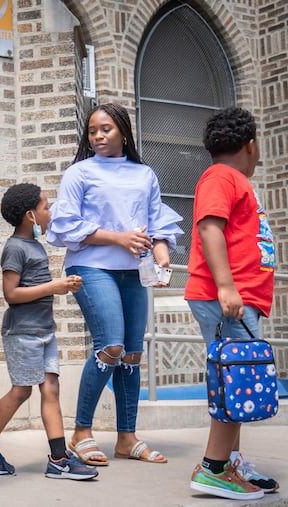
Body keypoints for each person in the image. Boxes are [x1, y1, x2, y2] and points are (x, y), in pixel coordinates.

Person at [47, 103, 183, 467]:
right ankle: (81, 432)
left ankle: (127, 438)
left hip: (134, 271)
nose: (98, 136)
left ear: (123, 131)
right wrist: (118, 238)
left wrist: (161, 249)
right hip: (91, 267)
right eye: (92, 130)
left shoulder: (144, 174)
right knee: (111, 346)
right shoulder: (79, 173)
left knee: (132, 355)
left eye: (105, 129)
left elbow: (155, 219)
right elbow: (65, 226)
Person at [0, 183, 98, 481]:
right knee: (21, 390)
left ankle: (59, 458)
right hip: (23, 333)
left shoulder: (36, 245)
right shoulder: (15, 248)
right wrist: (55, 287)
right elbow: (11, 294)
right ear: (30, 215)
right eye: (46, 207)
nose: (49, 212)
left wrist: (62, 287)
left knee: (50, 388)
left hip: (44, 330)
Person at [186, 107, 278, 500]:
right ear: (252, 145)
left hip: (238, 298)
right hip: (224, 297)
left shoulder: (231, 179)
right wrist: (226, 287)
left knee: (237, 377)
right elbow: (209, 226)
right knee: (236, 378)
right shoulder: (222, 177)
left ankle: (230, 462)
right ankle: (213, 469)